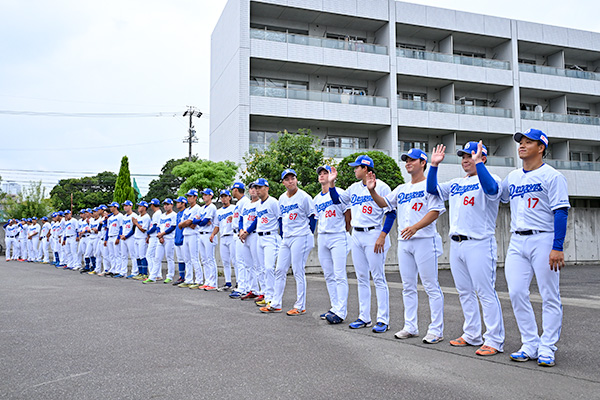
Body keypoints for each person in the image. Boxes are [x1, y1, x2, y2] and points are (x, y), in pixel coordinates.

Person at [427, 141, 505, 356]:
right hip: (457, 243)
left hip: (479, 242)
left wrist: (480, 164)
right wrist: (433, 166)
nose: (466, 160)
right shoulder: (456, 183)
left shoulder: (490, 179)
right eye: (463, 156)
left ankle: (495, 339)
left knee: (485, 292)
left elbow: (491, 190)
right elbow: (432, 189)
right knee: (464, 292)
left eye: (471, 156)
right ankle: (472, 334)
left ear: (483, 158)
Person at [500, 129, 570, 367]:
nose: (522, 145)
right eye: (521, 141)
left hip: (543, 238)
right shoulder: (513, 176)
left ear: (541, 148)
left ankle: (547, 346)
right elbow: (494, 194)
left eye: (528, 142)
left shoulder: (553, 176)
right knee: (517, 292)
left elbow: (561, 211)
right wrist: (478, 164)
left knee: (549, 294)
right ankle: (530, 343)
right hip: (517, 240)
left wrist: (557, 246)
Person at [367, 149, 446, 343]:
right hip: (405, 242)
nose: (408, 162)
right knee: (408, 286)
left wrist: (416, 227)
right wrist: (371, 190)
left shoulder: (430, 185)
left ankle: (436, 330)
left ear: (423, 162)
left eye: (412, 160)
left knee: (430, 286)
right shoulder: (402, 188)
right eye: (406, 160)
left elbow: (435, 211)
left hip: (425, 240)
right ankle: (410, 326)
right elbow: (383, 204)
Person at [327, 155, 396, 333]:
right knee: (362, 278)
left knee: (378, 278)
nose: (354, 170)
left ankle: (383, 319)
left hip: (374, 234)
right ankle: (364, 317)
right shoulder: (354, 188)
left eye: (357, 167)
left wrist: (382, 235)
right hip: (357, 234)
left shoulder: (381, 186)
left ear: (365, 169)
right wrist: (332, 184)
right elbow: (337, 200)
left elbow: (391, 213)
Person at [260, 169, 316, 315]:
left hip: (301, 236)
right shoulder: (282, 198)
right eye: (287, 179)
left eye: (293, 178)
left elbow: (312, 217)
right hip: (287, 238)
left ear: (296, 180)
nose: (290, 181)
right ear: (283, 182)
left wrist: (307, 233)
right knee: (279, 269)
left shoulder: (304, 197)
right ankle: (276, 303)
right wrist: (284, 234)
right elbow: (282, 219)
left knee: (298, 270)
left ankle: (300, 306)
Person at [313, 165, 351, 324]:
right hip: (323, 236)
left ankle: (341, 311)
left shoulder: (340, 192)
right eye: (320, 173)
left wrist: (345, 230)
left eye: (325, 173)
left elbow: (347, 214)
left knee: (339, 274)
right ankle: (335, 307)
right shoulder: (316, 198)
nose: (322, 175)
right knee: (328, 274)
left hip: (337, 235)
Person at [247, 179, 280, 307]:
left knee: (269, 267)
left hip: (271, 236)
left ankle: (271, 297)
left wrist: (282, 236)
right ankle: (266, 295)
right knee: (262, 267)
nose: (257, 190)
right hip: (260, 237)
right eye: (256, 187)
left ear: (267, 188)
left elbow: (280, 219)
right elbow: (257, 220)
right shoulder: (259, 204)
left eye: (260, 187)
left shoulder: (273, 202)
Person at [210, 189, 236, 291]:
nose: (224, 198)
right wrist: (212, 234)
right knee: (225, 261)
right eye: (222, 196)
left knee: (235, 261)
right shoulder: (218, 211)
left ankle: (238, 283)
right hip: (223, 237)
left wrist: (234, 217)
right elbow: (217, 225)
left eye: (226, 196)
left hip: (232, 236)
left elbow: (239, 218)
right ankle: (228, 283)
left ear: (230, 197)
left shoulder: (234, 208)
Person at [238, 183, 260, 300]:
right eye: (251, 188)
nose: (253, 190)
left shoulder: (260, 203)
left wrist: (247, 231)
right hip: (245, 236)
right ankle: (253, 289)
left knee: (257, 264)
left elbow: (257, 220)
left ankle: (262, 291)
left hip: (254, 234)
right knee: (248, 264)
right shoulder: (246, 204)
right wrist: (241, 230)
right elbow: (241, 218)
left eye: (255, 188)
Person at [193, 189, 218, 290]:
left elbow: (204, 222)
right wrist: (201, 221)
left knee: (210, 259)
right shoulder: (202, 208)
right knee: (204, 259)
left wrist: (202, 221)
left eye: (206, 195)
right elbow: (195, 221)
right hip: (201, 234)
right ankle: (207, 281)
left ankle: (213, 283)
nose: (204, 197)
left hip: (209, 234)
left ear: (211, 196)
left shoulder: (212, 207)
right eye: (203, 195)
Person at [178, 189, 203, 288]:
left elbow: (190, 223)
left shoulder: (198, 208)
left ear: (195, 197)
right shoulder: (187, 210)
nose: (188, 198)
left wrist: (187, 223)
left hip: (194, 235)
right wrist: (187, 223)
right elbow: (181, 224)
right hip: (186, 235)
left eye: (190, 196)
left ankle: (199, 280)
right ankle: (188, 279)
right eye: (188, 196)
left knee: (194, 258)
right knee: (187, 258)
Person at [228, 182, 249, 298]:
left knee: (242, 262)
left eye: (233, 189)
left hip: (241, 234)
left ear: (236, 189)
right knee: (238, 261)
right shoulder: (239, 203)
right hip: (236, 234)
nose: (232, 191)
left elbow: (244, 218)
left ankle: (243, 287)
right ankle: (242, 286)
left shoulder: (244, 201)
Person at [155, 198, 177, 284]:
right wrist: (159, 235)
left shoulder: (174, 215)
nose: (166, 206)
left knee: (169, 257)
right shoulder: (162, 215)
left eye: (168, 204)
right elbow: (158, 226)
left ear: (172, 205)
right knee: (157, 258)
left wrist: (162, 234)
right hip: (161, 238)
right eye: (164, 204)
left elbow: (172, 227)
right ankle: (153, 275)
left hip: (169, 238)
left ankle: (170, 276)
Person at [143, 199, 163, 283]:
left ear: (152, 205)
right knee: (154, 257)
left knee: (149, 256)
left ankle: (153, 274)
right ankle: (157, 274)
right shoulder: (157, 213)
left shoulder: (157, 213)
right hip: (153, 236)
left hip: (155, 236)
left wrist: (147, 232)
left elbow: (155, 227)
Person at [131, 201, 151, 279]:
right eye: (138, 206)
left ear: (145, 207)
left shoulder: (146, 217)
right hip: (136, 237)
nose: (139, 208)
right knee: (137, 256)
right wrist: (134, 223)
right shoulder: (139, 216)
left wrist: (136, 223)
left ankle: (144, 273)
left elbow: (144, 229)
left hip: (142, 238)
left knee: (142, 256)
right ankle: (140, 272)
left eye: (140, 206)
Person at [120, 200, 138, 278]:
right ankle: (123, 272)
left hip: (131, 237)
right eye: (124, 205)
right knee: (123, 255)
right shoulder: (124, 216)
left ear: (131, 206)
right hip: (123, 238)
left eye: (126, 205)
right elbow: (121, 227)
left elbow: (134, 228)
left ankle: (134, 272)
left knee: (133, 255)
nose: (125, 207)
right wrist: (121, 235)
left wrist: (126, 236)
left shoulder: (134, 215)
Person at [172, 196, 188, 285]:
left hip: (184, 238)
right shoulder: (178, 214)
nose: (177, 204)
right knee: (180, 259)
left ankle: (187, 277)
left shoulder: (186, 212)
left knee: (186, 259)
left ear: (183, 203)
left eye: (178, 202)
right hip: (177, 238)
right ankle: (181, 277)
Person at [104, 202, 123, 277]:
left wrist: (118, 237)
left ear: (116, 207)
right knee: (111, 254)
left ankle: (118, 270)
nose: (110, 208)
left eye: (112, 207)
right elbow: (108, 229)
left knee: (117, 254)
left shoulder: (120, 216)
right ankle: (113, 269)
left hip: (116, 236)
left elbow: (121, 227)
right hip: (110, 236)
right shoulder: (110, 218)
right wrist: (106, 239)